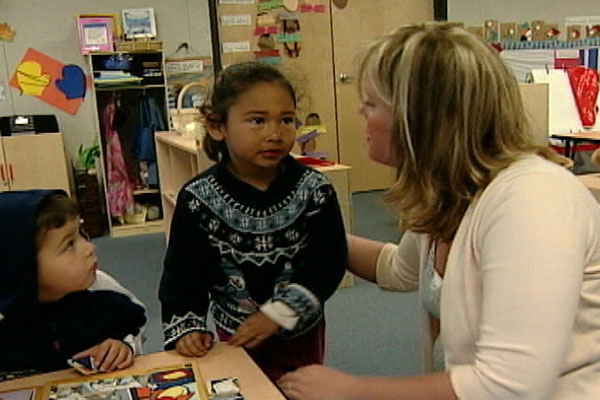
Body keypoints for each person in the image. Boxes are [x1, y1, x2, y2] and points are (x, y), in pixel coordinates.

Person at [278, 22, 600, 400]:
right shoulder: (450, 191)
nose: (360, 113)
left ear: (420, 115)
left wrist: (354, 389)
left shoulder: (532, 199)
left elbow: (510, 385)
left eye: (371, 104)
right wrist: (314, 232)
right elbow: (400, 269)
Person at [159, 62, 348, 381]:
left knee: (301, 390)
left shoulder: (314, 191)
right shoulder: (198, 199)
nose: (275, 134)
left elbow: (327, 263)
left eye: (286, 120)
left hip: (300, 334)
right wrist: (187, 327)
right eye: (257, 121)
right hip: (236, 336)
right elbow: (183, 273)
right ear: (218, 126)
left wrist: (279, 313)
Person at [0, 190, 147, 381]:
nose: (90, 247)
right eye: (69, 244)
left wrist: (124, 345)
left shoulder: (101, 289)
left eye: (81, 233)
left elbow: (137, 322)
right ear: (23, 265)